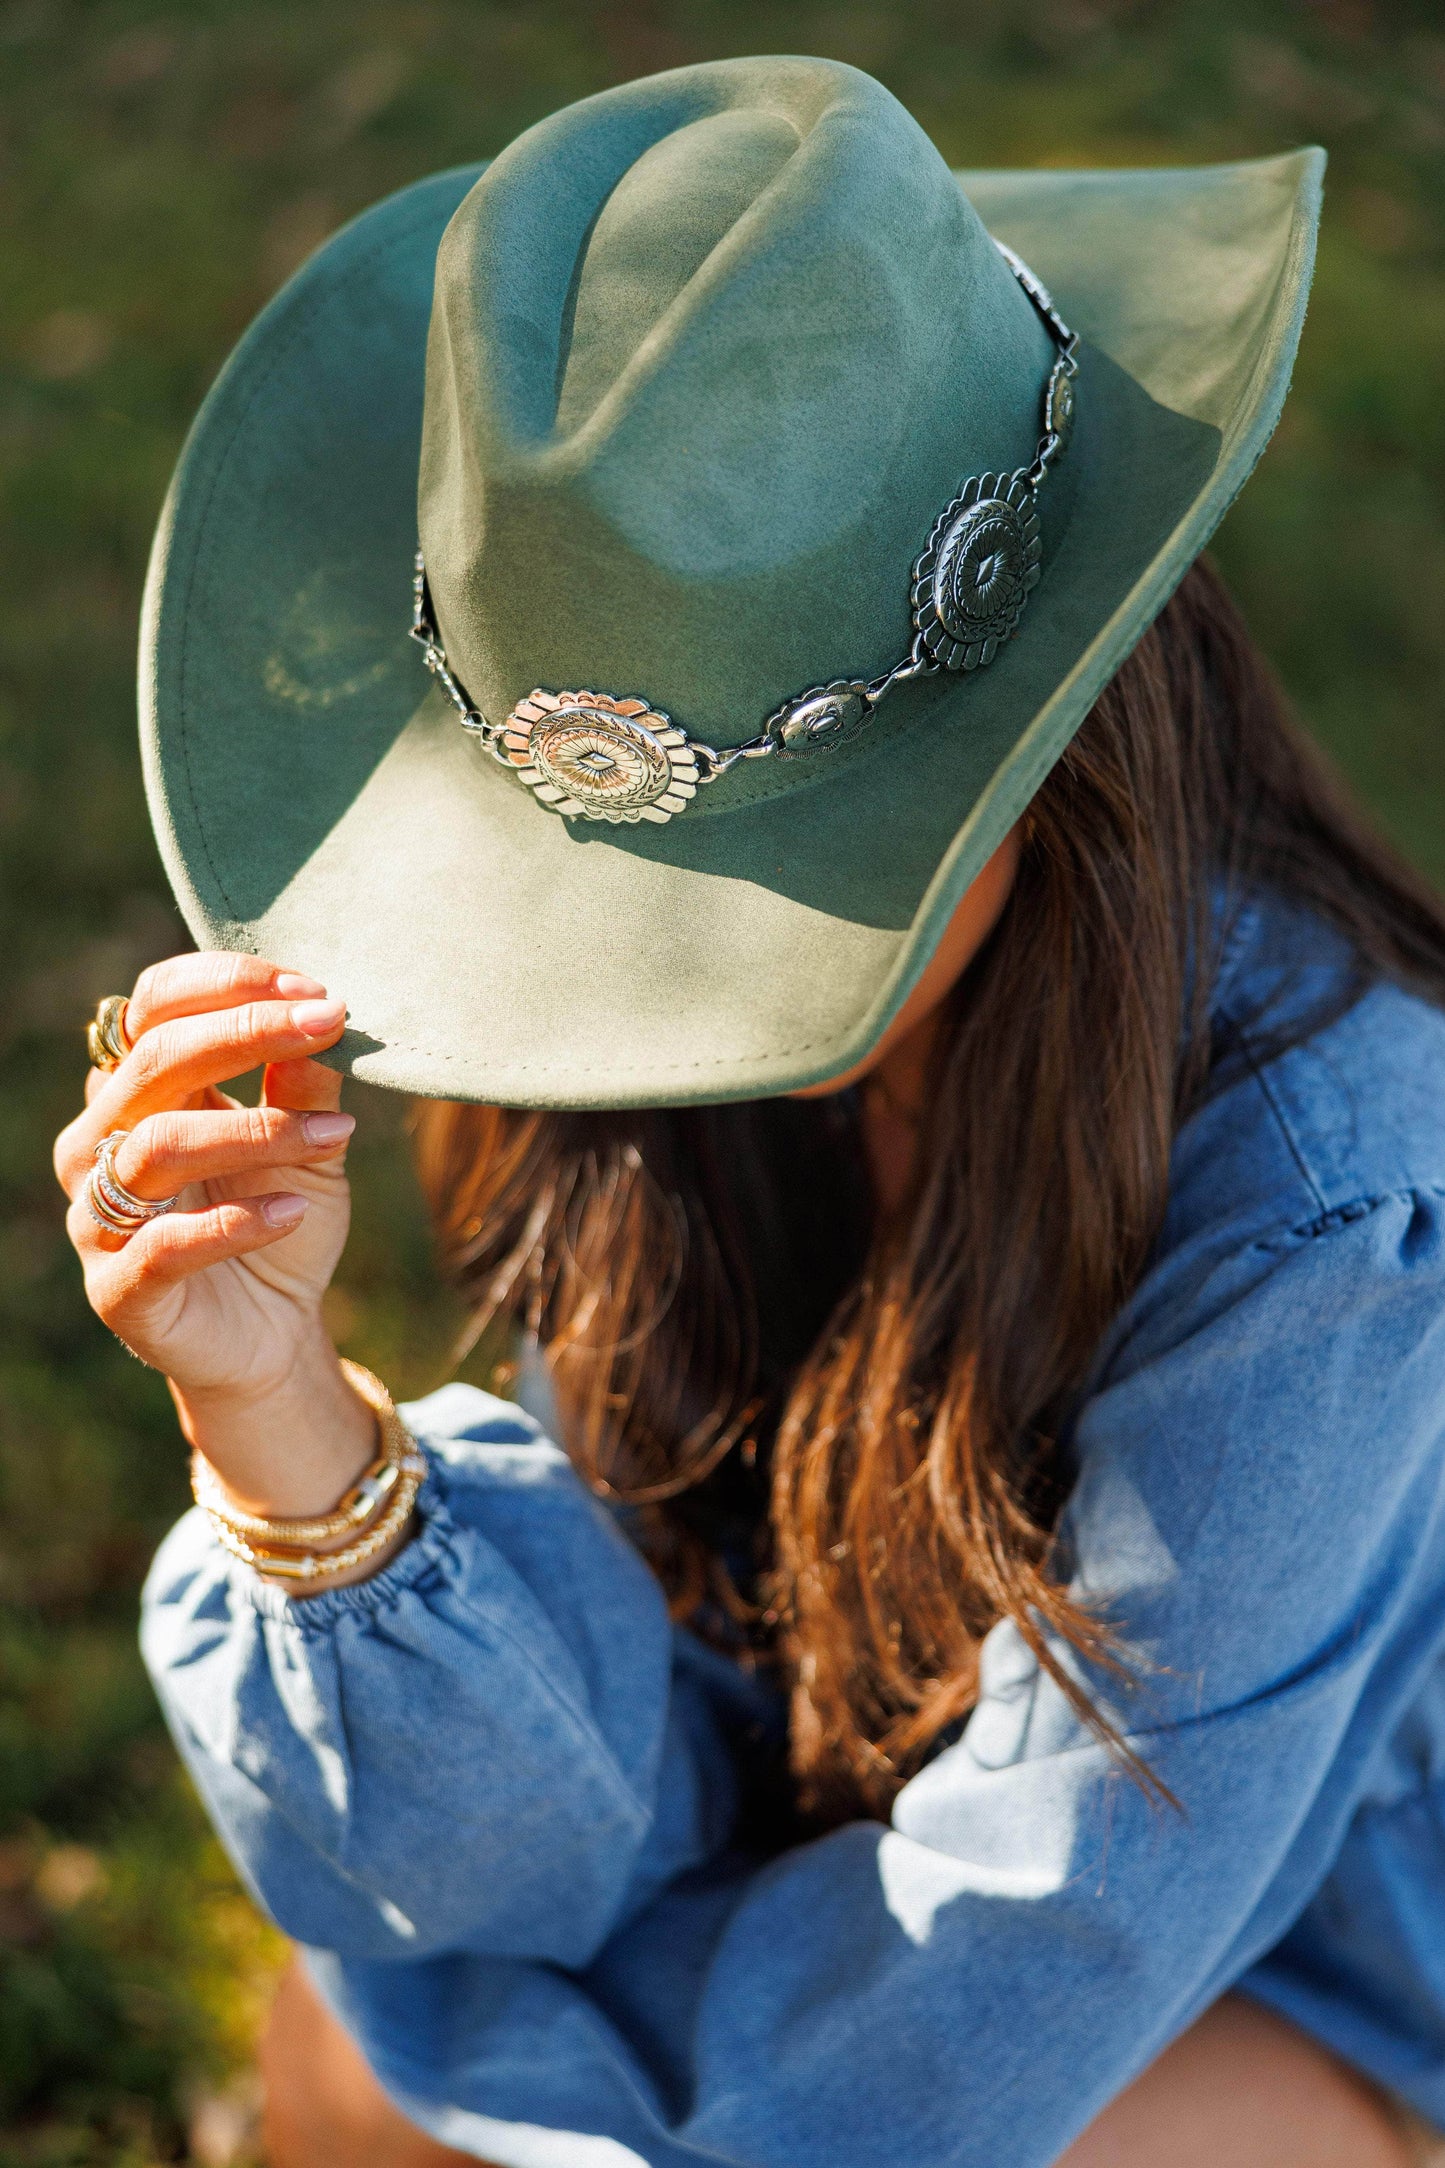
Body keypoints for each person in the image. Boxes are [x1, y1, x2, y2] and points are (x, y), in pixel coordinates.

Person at [53, 54, 1445, 2168]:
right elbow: (543, 1839)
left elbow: (1024, 1965)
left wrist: (504, 2087)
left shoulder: (1332, 1206)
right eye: (604, 876)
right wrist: (284, 1431)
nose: (664, 947)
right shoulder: (672, 1070)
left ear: (1067, 723)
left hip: (1282, 1968)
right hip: (861, 1858)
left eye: (811, 848)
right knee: (357, 2076)